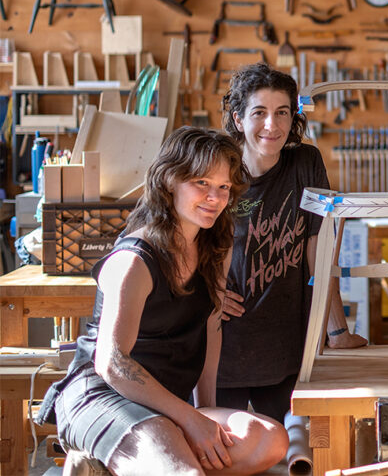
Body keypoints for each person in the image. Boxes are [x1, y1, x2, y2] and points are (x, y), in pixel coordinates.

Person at [35, 126, 288, 475]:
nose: (214, 197)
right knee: (183, 472)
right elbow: (112, 365)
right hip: (103, 395)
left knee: (269, 439)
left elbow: (211, 326)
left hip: (165, 401)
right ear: (170, 181)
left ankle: (110, 469)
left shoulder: (217, 245)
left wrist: (206, 414)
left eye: (224, 187)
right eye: (202, 183)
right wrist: (190, 419)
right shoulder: (133, 261)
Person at [218, 63, 366, 425]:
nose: (273, 125)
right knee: (224, 454)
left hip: (287, 346)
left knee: (300, 450)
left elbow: (318, 246)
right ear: (238, 119)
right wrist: (205, 291)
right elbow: (175, 239)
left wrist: (336, 330)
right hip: (222, 346)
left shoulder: (305, 162)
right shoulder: (214, 167)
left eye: (282, 112)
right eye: (260, 113)